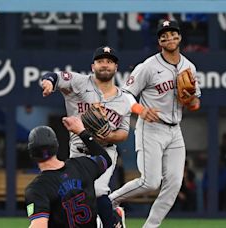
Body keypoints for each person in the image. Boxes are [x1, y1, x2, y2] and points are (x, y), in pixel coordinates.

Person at [108, 19, 201, 228]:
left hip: (175, 130)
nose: (169, 37)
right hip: (151, 128)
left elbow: (196, 104)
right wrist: (140, 110)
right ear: (159, 40)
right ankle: (109, 202)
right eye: (164, 35)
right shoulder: (148, 66)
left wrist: (190, 99)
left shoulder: (189, 67)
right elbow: (124, 94)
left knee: (174, 184)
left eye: (173, 33)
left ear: (180, 37)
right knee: (151, 182)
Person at [41, 46, 134, 227]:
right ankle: (114, 215)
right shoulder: (80, 82)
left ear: (116, 67)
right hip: (78, 150)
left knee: (98, 190)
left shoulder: (124, 100)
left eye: (109, 62)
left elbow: (123, 133)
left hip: (104, 152)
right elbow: (55, 76)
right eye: (100, 61)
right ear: (93, 66)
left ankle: (112, 223)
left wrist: (110, 134)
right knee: (77, 195)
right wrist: (49, 83)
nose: (104, 65)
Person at [25, 116, 123, 227]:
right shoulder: (80, 165)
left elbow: (39, 225)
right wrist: (82, 132)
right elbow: (105, 158)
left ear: (32, 154)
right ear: (56, 146)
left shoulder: (37, 188)